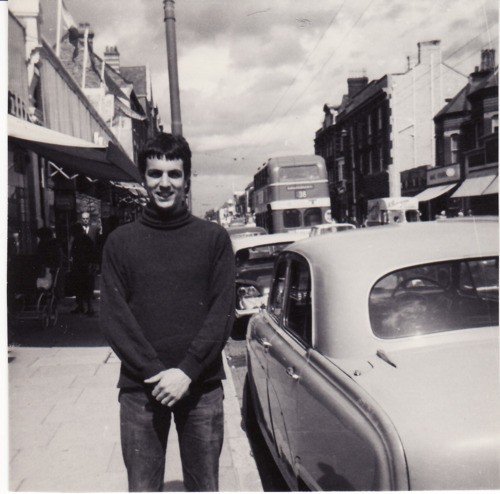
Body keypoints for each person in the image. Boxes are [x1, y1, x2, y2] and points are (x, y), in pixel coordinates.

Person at [99, 133, 235, 492]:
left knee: (204, 486)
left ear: (187, 179)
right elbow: (114, 317)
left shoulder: (213, 239)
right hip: (141, 390)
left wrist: (187, 371)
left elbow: (222, 311)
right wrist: (156, 373)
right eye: (155, 173)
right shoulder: (120, 242)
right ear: (143, 178)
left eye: (173, 174)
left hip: (201, 387)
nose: (164, 183)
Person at [70, 223, 96, 315]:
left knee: (83, 287)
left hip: (83, 266)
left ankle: (87, 307)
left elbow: (74, 253)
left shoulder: (82, 240)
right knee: (84, 287)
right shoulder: (84, 239)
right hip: (83, 266)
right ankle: (86, 307)